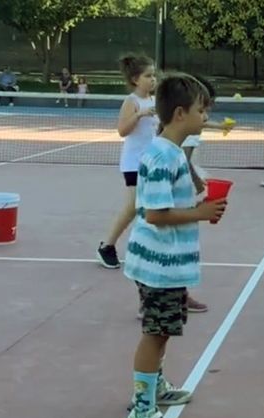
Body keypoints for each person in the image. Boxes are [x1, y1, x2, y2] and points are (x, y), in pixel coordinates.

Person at [120, 72, 226, 418]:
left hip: (163, 262)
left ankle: (154, 386)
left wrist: (199, 205)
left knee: (161, 332)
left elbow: (168, 206)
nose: (207, 116)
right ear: (180, 114)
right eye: (202, 109)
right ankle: (142, 411)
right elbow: (154, 214)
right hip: (158, 265)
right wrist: (200, 213)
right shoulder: (162, 155)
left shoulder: (171, 152)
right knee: (155, 333)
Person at [97, 54, 157, 270]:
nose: (153, 80)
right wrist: (140, 115)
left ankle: (146, 247)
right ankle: (107, 246)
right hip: (134, 162)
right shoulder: (132, 102)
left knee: (152, 205)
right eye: (148, 76)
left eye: (154, 75)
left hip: (153, 161)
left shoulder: (154, 101)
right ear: (135, 79)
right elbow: (122, 130)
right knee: (132, 206)